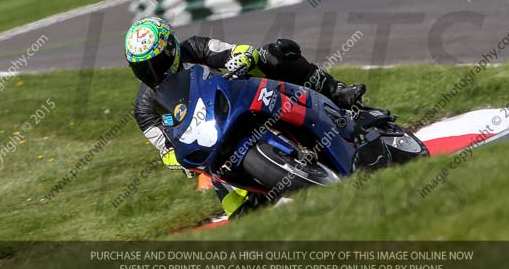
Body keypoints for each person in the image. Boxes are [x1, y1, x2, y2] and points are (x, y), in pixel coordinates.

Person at [125, 16, 366, 217]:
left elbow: (234, 50)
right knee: (242, 220)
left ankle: (335, 91)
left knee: (272, 54)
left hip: (236, 103)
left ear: (171, 49)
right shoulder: (144, 108)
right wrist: (174, 160)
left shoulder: (194, 48)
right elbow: (164, 149)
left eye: (156, 63)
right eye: (143, 68)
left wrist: (240, 58)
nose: (152, 73)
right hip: (212, 150)